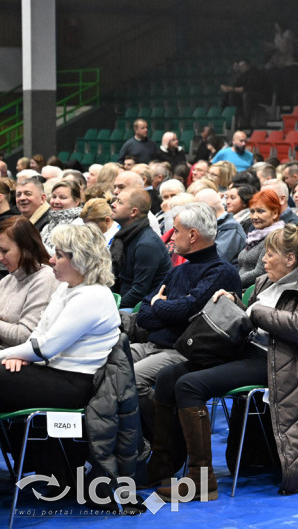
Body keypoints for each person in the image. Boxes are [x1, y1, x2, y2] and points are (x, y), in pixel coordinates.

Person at [147, 223, 298, 501]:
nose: (264, 260)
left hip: (280, 362)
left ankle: (200, 480)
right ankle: (163, 465)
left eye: (269, 255)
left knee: (189, 386)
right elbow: (249, 316)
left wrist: (256, 312)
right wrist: (233, 301)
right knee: (167, 376)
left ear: (290, 260)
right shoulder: (265, 281)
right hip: (248, 350)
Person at [0, 225, 121, 480]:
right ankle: (55, 468)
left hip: (74, 384)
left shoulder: (93, 296)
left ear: (80, 259)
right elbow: (37, 337)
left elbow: (44, 348)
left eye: (60, 255)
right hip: (51, 373)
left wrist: (11, 355)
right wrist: (15, 356)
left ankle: (57, 468)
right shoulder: (67, 288)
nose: (52, 260)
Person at [132, 203, 243, 417]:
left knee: (132, 378)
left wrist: (159, 304)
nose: (170, 237)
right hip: (152, 345)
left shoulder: (220, 272)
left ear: (192, 235)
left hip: (183, 352)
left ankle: (162, 439)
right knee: (107, 363)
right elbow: (144, 315)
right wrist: (166, 309)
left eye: (176, 230)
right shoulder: (179, 270)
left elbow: (187, 313)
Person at [0, 217, 59, 348]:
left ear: (25, 249)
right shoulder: (8, 279)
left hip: (14, 360)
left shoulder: (45, 279)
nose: (0, 257)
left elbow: (26, 336)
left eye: (5, 251)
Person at [111, 186, 171, 309]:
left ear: (134, 212)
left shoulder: (146, 244)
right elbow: (115, 280)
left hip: (140, 310)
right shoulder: (124, 237)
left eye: (119, 202)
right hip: (123, 303)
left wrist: (110, 310)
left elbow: (139, 292)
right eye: (115, 200)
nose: (113, 204)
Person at [236, 188, 285, 288]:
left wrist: (231, 282)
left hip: (253, 292)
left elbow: (260, 272)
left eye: (260, 211)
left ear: (275, 213)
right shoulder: (254, 236)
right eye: (252, 211)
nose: (254, 216)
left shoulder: (275, 238)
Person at [39, 179, 83, 254]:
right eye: (54, 197)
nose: (56, 201)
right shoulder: (48, 226)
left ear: (76, 202)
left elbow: (63, 256)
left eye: (62, 197)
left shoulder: (79, 225)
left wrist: (36, 244)